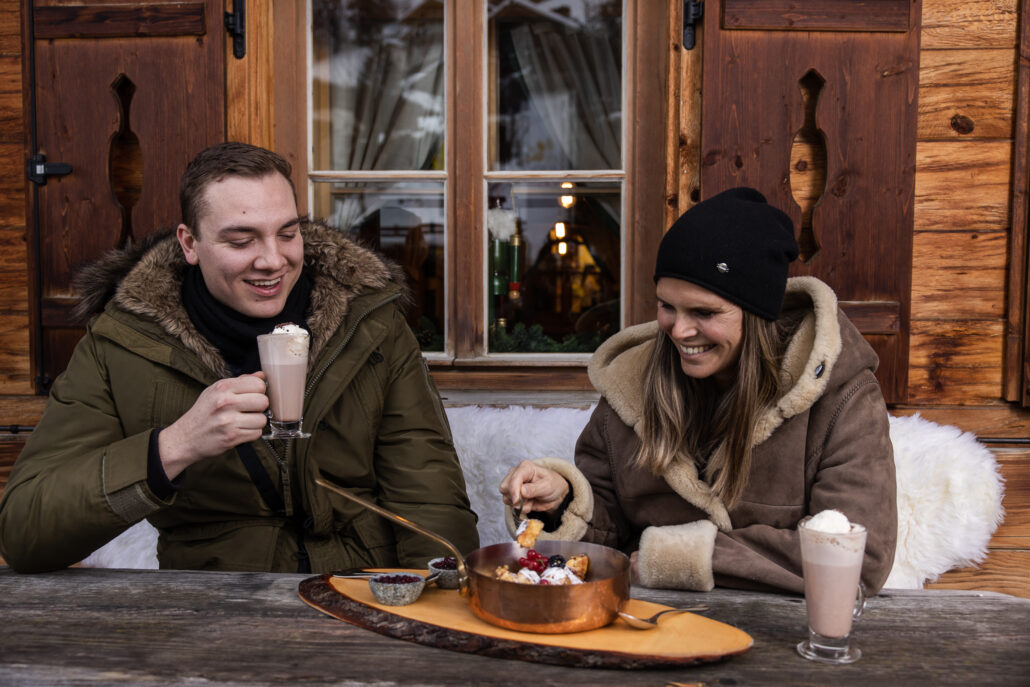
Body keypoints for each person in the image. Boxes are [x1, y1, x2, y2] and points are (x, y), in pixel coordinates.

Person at [0, 142, 479, 573]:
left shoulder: (369, 322)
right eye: (241, 240)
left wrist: (434, 614)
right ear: (190, 244)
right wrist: (175, 446)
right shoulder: (123, 342)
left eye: (287, 233)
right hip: (214, 605)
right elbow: (24, 531)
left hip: (359, 590)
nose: (272, 260)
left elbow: (427, 494)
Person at [499, 187, 896, 594]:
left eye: (704, 312)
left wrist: (678, 557)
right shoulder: (629, 387)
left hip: (787, 637)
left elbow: (856, 555)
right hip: (652, 629)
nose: (679, 331)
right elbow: (606, 529)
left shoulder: (841, 397)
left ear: (758, 314)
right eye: (667, 306)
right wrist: (561, 500)